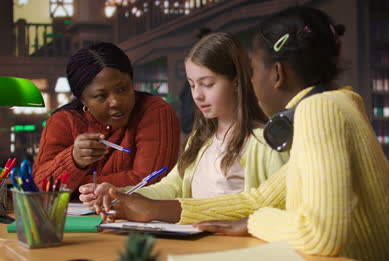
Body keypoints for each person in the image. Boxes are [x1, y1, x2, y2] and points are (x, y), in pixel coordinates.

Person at [95, 8, 389, 261]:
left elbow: (320, 235)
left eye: (253, 69)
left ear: (276, 74)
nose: (250, 80)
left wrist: (252, 222)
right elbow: (261, 198)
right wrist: (152, 208)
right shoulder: (336, 104)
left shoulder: (319, 110)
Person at [80, 32, 288, 207]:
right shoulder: (201, 138)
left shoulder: (263, 142)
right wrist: (120, 193)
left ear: (236, 81)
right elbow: (172, 187)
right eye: (192, 84)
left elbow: (277, 212)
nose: (197, 95)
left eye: (207, 84)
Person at [33, 42, 180, 192]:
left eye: (123, 89)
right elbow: (40, 186)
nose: (116, 102)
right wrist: (74, 160)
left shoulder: (154, 111)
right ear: (82, 100)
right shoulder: (64, 120)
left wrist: (73, 184)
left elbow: (149, 182)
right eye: (101, 96)